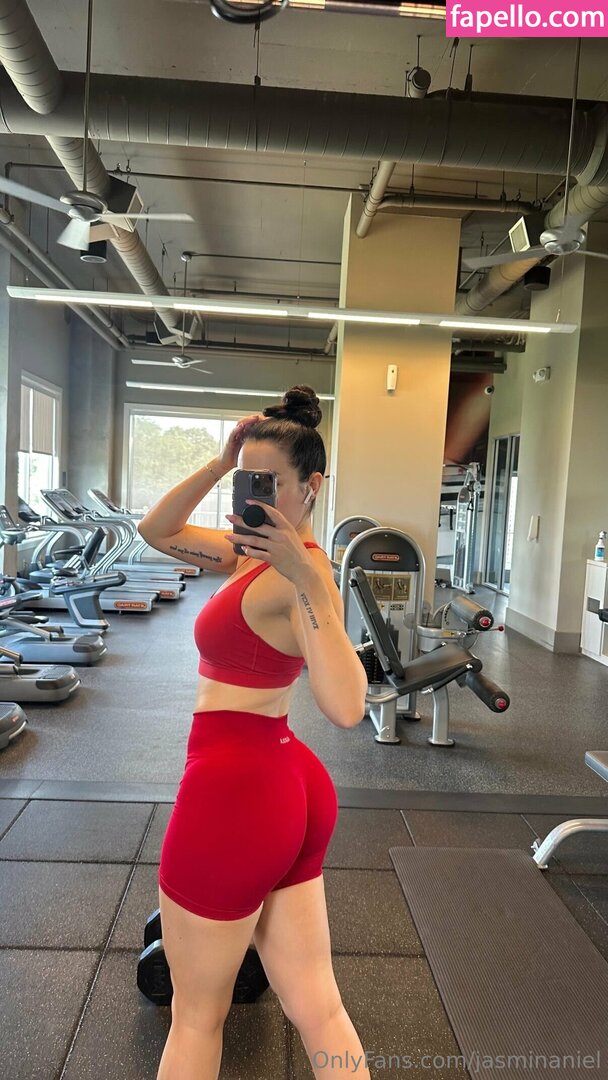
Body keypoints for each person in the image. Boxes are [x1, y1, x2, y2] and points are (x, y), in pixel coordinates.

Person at [138, 385, 371, 1080]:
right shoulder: (248, 553)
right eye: (248, 480)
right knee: (318, 1008)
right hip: (283, 781)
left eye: (269, 483)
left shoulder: (299, 571)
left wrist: (306, 576)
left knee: (194, 1017)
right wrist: (220, 463)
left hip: (236, 794)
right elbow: (156, 530)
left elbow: (347, 706)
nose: (254, 495)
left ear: (311, 487)